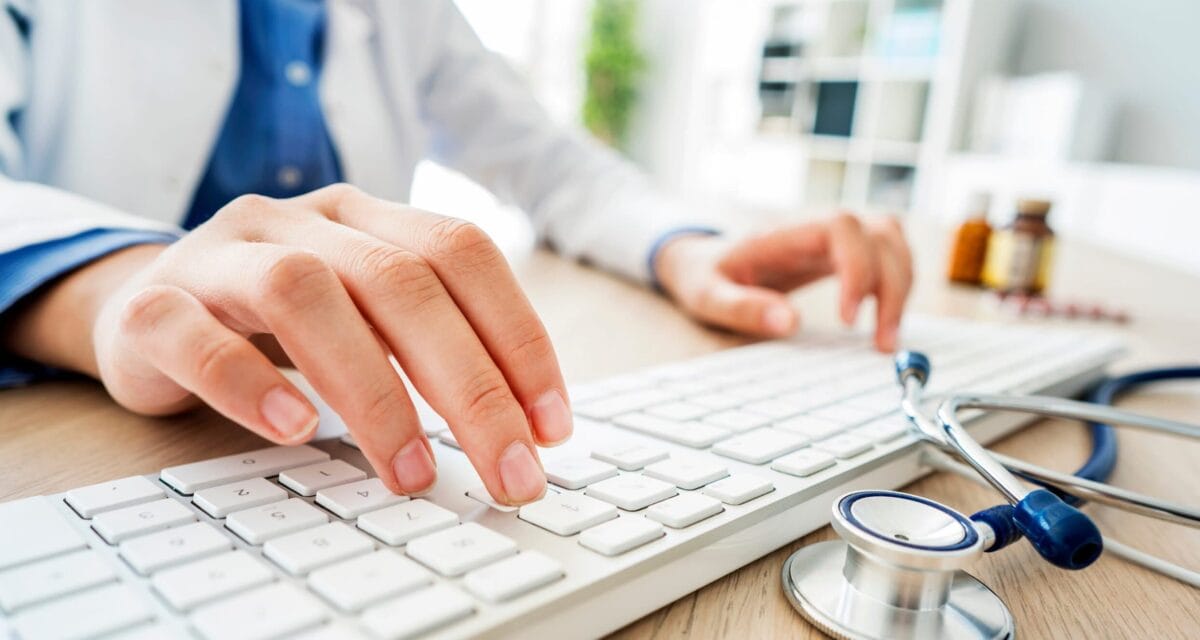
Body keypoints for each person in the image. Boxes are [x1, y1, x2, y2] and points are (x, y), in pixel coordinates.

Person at [0, 1, 912, 507]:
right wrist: (117, 295)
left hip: (340, 424)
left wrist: (685, 246)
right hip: (92, 436)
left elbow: (553, 164)